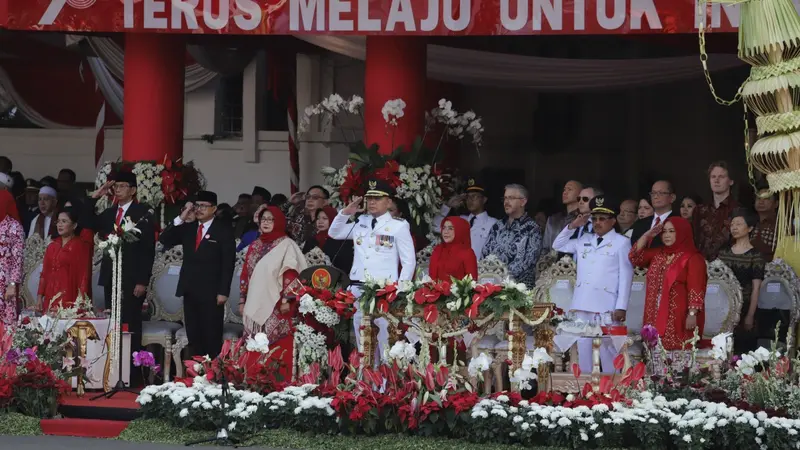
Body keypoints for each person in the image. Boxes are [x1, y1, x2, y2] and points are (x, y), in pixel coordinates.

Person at [329, 179, 416, 358]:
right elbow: (334, 233)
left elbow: (409, 261)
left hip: (384, 290)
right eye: (369, 198)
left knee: (385, 338)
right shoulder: (361, 221)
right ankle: (366, 380)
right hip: (359, 286)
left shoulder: (398, 226)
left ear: (389, 201)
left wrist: (400, 289)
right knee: (363, 338)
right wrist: (346, 212)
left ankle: (385, 384)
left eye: (377, 198)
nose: (372, 202)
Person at [553, 196, 633, 373]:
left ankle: (611, 388)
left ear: (612, 221)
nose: (597, 223)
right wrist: (573, 226)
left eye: (602, 219)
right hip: (582, 301)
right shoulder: (584, 240)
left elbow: (626, 277)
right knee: (583, 344)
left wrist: (621, 306)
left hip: (606, 303)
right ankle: (585, 388)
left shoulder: (621, 242)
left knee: (608, 346)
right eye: (595, 218)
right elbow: (558, 245)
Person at [84, 172, 155, 352]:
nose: (117, 189)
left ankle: (131, 369)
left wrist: (142, 281)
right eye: (116, 186)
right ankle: (113, 365)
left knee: (130, 322)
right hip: (111, 275)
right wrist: (96, 196)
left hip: (132, 277)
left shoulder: (142, 213)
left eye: (122, 186)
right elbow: (86, 220)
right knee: (112, 321)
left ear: (133, 190)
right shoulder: (109, 213)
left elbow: (147, 250)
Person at [160, 191, 236, 358]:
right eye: (197, 205)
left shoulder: (223, 230)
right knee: (193, 334)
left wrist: (223, 291)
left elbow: (228, 263)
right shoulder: (189, 228)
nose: (199, 209)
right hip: (190, 289)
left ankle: (212, 373)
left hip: (212, 291)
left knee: (211, 333)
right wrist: (183, 215)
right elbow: (164, 239)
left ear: (214, 209)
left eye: (204, 206)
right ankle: (196, 371)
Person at [238, 205, 307, 380]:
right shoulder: (255, 245)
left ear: (279, 222)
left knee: (276, 342)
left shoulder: (287, 245)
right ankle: (253, 379)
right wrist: (242, 300)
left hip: (278, 304)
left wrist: (287, 299)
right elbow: (246, 274)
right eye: (263, 219)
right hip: (254, 300)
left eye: (270, 219)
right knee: (254, 342)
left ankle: (277, 382)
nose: (266, 222)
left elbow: (292, 273)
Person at [629, 217, 707, 350]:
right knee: (653, 351)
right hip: (653, 311)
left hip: (679, 314)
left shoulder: (693, 257)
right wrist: (648, 235)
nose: (667, 235)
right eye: (664, 231)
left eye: (672, 231)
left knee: (676, 353)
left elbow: (696, 287)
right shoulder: (658, 254)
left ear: (682, 232)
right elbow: (634, 256)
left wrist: (692, 314)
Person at [717, 208, 765, 354]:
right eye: (732, 224)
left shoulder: (756, 255)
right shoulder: (723, 252)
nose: (734, 227)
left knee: (742, 351)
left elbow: (757, 288)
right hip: (722, 309)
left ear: (750, 228)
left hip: (744, 309)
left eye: (739, 224)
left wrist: (750, 315)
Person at [482, 184, 542, 287]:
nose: (506, 202)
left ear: (523, 201)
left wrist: (501, 278)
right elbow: (485, 254)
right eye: (505, 198)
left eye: (511, 198)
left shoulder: (532, 228)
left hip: (518, 290)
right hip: (491, 286)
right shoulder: (497, 226)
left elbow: (527, 262)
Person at [37, 208, 92, 312]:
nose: (60, 225)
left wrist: (80, 303)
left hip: (69, 297)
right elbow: (45, 273)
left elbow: (84, 276)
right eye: (58, 221)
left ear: (74, 225)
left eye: (64, 221)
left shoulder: (80, 246)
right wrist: (40, 297)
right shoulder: (52, 246)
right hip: (50, 297)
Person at [434, 177, 498, 260]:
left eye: (474, 196)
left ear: (484, 199)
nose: (470, 200)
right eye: (467, 197)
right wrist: (447, 206)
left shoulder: (493, 223)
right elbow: (436, 227)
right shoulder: (460, 220)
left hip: (479, 270)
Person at [693, 161, 739, 261]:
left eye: (721, 177)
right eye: (713, 177)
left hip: (728, 266)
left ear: (731, 181)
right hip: (701, 265)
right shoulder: (699, 210)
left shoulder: (738, 210)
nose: (716, 180)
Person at [302, 206, 354, 273]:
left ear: (333, 219)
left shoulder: (342, 240)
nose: (320, 221)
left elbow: (346, 265)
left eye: (325, 218)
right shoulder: (312, 240)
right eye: (318, 218)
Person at [629, 181, 678, 248]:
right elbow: (634, 250)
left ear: (672, 197)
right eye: (653, 193)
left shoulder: (679, 222)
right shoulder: (640, 223)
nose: (655, 196)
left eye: (661, 193)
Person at [0, 190, 24, 326]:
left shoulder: (14, 227)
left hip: (5, 282)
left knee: (6, 320)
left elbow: (17, 259)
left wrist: (12, 284)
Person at [429, 217, 478, 282]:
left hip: (457, 292)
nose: (445, 232)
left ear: (460, 230)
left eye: (450, 228)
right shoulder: (438, 250)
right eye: (443, 228)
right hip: (435, 291)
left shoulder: (467, 253)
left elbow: (472, 283)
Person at [542, 180, 582, 253]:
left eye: (569, 189)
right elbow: (545, 247)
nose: (565, 192)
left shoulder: (582, 219)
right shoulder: (553, 219)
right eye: (564, 190)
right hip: (553, 262)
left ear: (580, 194)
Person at [751, 187, 777, 262]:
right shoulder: (749, 222)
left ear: (776, 203)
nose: (761, 202)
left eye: (766, 198)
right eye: (758, 198)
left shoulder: (780, 225)